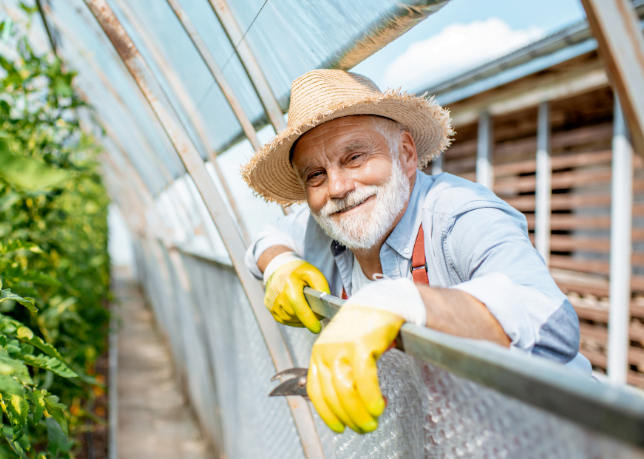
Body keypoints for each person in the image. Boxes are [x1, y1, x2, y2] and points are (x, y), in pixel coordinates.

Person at [241, 69, 590, 435]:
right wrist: (280, 263)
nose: (338, 187)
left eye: (355, 157)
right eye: (315, 175)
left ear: (406, 154)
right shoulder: (322, 221)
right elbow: (267, 238)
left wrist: (399, 301)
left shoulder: (460, 214)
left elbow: (552, 323)